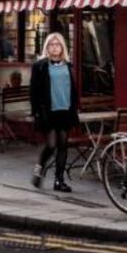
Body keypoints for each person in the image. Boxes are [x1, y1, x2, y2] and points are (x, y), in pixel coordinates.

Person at [29, 33, 80, 193]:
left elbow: (72, 88)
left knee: (63, 145)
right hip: (48, 111)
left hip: (65, 110)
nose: (54, 47)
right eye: (51, 44)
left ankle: (59, 180)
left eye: (58, 44)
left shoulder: (68, 65)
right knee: (51, 145)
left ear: (63, 47)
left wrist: (75, 106)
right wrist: (36, 112)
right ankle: (39, 170)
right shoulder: (40, 66)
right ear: (47, 47)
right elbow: (34, 92)